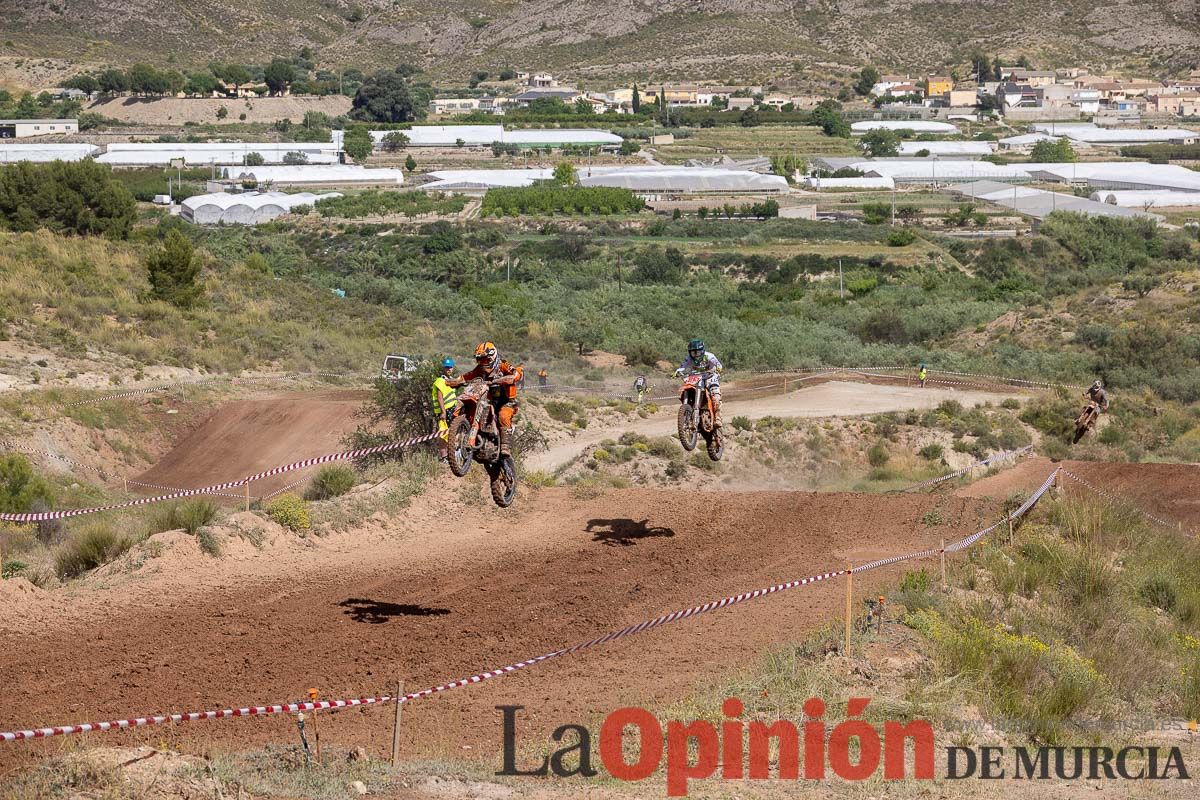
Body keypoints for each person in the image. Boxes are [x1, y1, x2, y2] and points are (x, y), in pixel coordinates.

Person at [448, 342, 524, 457]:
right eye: (480, 360)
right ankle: (465, 432)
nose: (482, 363)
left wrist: (513, 377)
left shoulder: (502, 365)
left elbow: (516, 372)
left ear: (492, 357)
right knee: (471, 407)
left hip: (507, 401)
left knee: (503, 415)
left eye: (485, 359)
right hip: (489, 400)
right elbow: (467, 376)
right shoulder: (480, 369)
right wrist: (455, 381)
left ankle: (505, 445)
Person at [674, 339, 723, 428]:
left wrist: (719, 369)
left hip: (710, 377)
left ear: (702, 351)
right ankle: (687, 411)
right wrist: (677, 372)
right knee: (687, 388)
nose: (696, 355)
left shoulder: (709, 356)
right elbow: (682, 367)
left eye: (698, 352)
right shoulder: (688, 358)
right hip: (696, 378)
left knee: (716, 395)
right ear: (690, 353)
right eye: (693, 353)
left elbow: (718, 364)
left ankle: (718, 417)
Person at [431, 358, 458, 463]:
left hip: (451, 409)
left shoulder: (449, 380)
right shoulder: (440, 381)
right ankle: (443, 457)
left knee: (451, 432)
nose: (448, 369)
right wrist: (443, 412)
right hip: (445, 411)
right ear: (443, 368)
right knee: (443, 433)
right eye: (447, 367)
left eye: (450, 367)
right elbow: (440, 397)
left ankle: (451, 455)